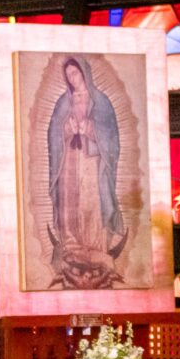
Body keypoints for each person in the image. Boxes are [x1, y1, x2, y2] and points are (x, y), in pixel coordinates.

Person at [47, 56, 125, 289]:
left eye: (76, 73)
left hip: (92, 160)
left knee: (92, 201)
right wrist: (66, 130)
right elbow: (53, 135)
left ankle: (94, 246)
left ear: (84, 73)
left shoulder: (101, 102)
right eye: (69, 75)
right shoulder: (63, 102)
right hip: (70, 160)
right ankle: (71, 245)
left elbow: (112, 136)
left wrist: (93, 131)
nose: (72, 78)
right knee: (70, 201)